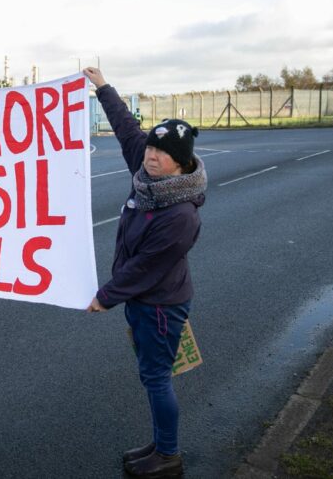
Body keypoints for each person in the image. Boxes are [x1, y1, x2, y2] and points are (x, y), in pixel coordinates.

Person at [83, 67, 207, 478]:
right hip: (144, 299)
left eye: (162, 152)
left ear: (182, 162)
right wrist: (103, 88)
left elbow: (146, 267)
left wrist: (106, 295)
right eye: (152, 148)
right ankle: (159, 444)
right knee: (152, 375)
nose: (152, 156)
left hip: (159, 304)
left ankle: (168, 455)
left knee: (156, 378)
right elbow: (126, 129)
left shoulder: (180, 214)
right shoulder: (148, 175)